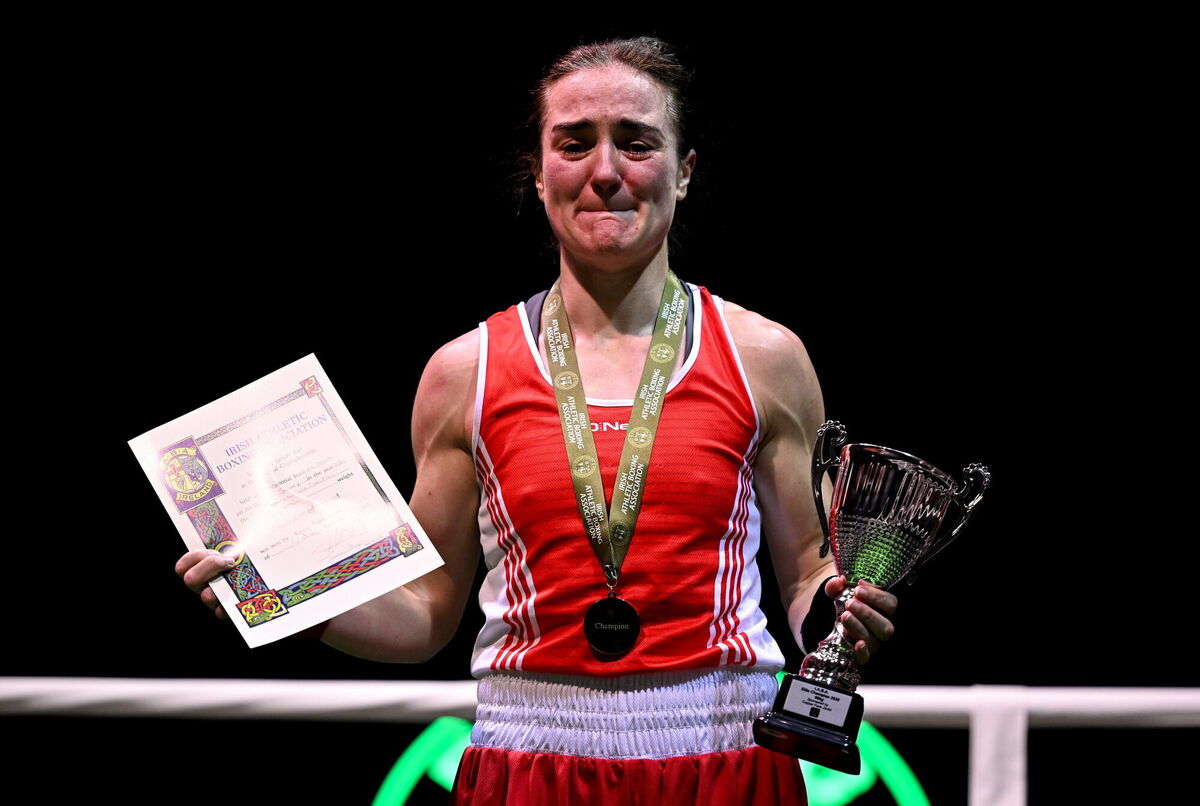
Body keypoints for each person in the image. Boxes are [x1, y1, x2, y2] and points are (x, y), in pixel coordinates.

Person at [176, 36, 898, 805]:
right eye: (575, 143)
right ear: (539, 170)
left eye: (637, 142)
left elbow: (805, 573)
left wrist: (841, 608)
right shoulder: (463, 373)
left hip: (727, 754)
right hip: (528, 763)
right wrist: (285, 601)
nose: (606, 170)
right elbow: (425, 613)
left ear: (684, 172)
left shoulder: (766, 357)